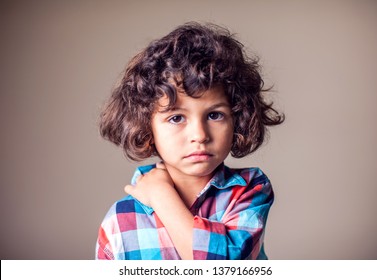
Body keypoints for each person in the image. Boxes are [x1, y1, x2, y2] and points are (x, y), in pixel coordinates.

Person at [95, 22, 284, 260]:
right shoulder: (120, 220)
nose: (200, 135)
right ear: (145, 127)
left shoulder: (249, 191)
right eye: (176, 118)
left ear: (237, 118)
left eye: (214, 115)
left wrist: (161, 195)